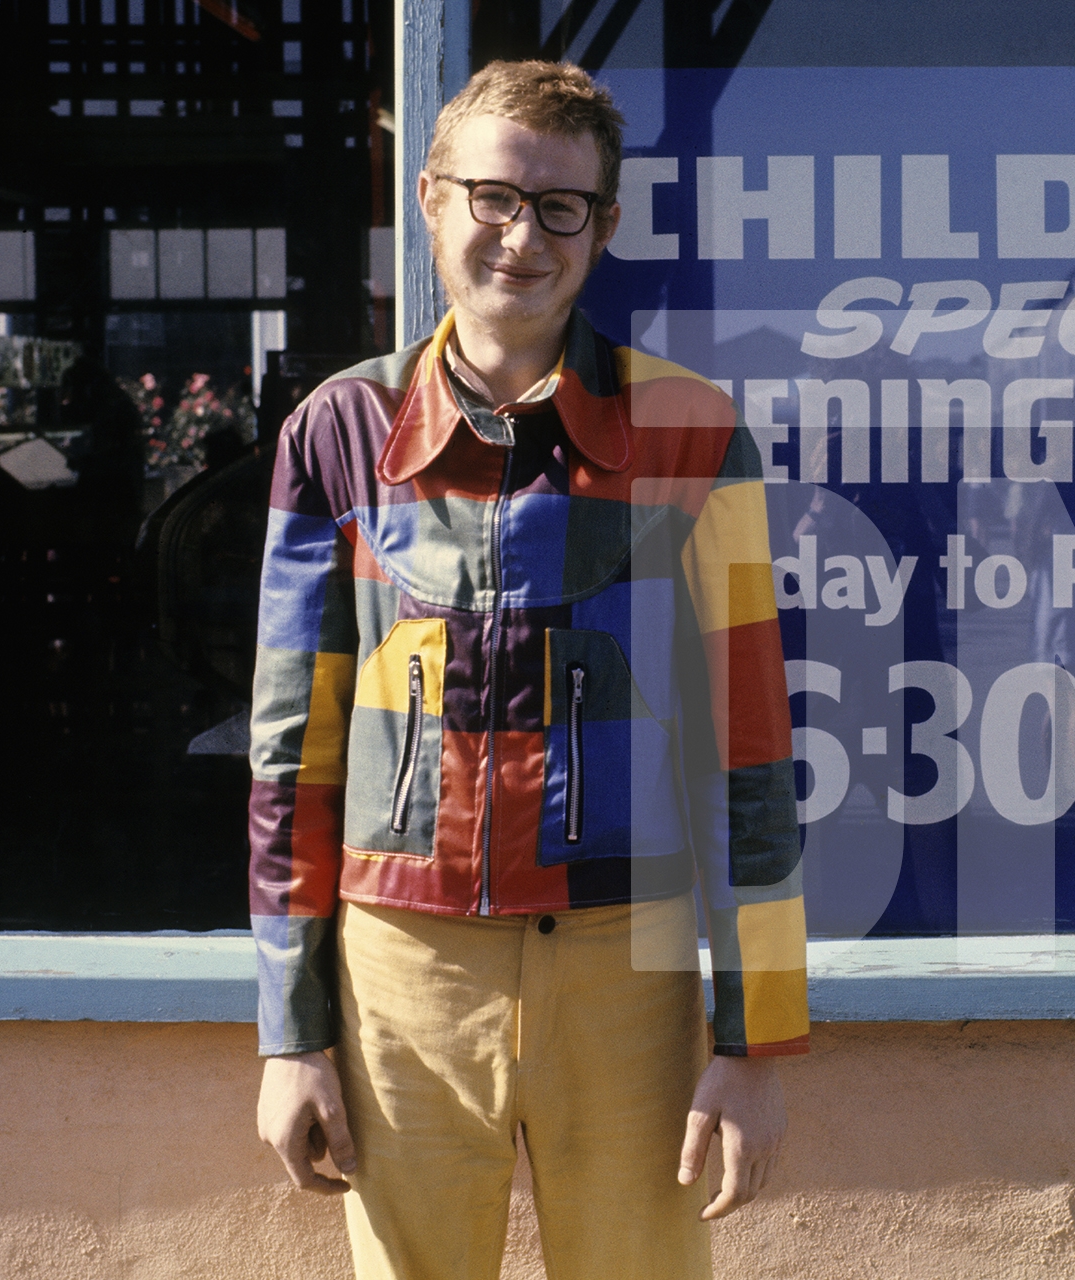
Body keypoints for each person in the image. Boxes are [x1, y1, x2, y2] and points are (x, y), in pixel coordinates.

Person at [249, 61, 805, 1279]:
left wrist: (753, 1039)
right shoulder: (339, 431)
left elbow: (748, 744)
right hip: (399, 975)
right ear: (434, 202)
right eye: (493, 196)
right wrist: (291, 1034)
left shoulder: (694, 431)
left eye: (561, 207)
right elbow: (296, 749)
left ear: (604, 227)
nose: (523, 234)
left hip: (630, 970)